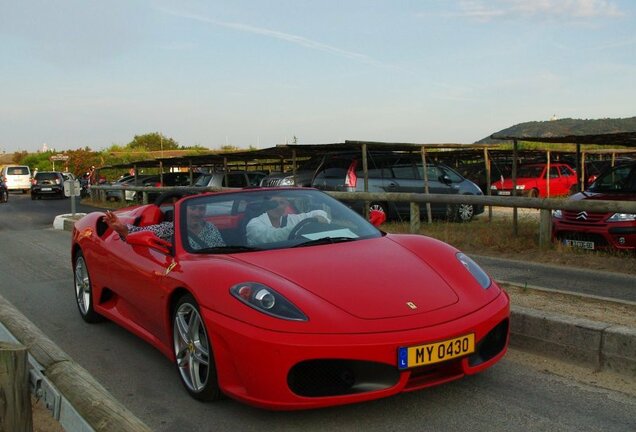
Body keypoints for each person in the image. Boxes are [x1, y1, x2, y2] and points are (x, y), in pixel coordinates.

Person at [103, 203, 225, 250]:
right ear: (183, 212)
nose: (198, 213)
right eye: (193, 208)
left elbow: (222, 250)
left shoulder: (210, 228)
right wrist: (120, 227)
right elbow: (138, 232)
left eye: (201, 209)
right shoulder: (170, 228)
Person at [245, 196, 330, 245]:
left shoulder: (291, 219)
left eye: (282, 203)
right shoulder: (254, 224)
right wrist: (304, 227)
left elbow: (317, 213)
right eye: (273, 203)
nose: (277, 206)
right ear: (266, 205)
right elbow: (272, 236)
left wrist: (319, 217)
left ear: (286, 206)